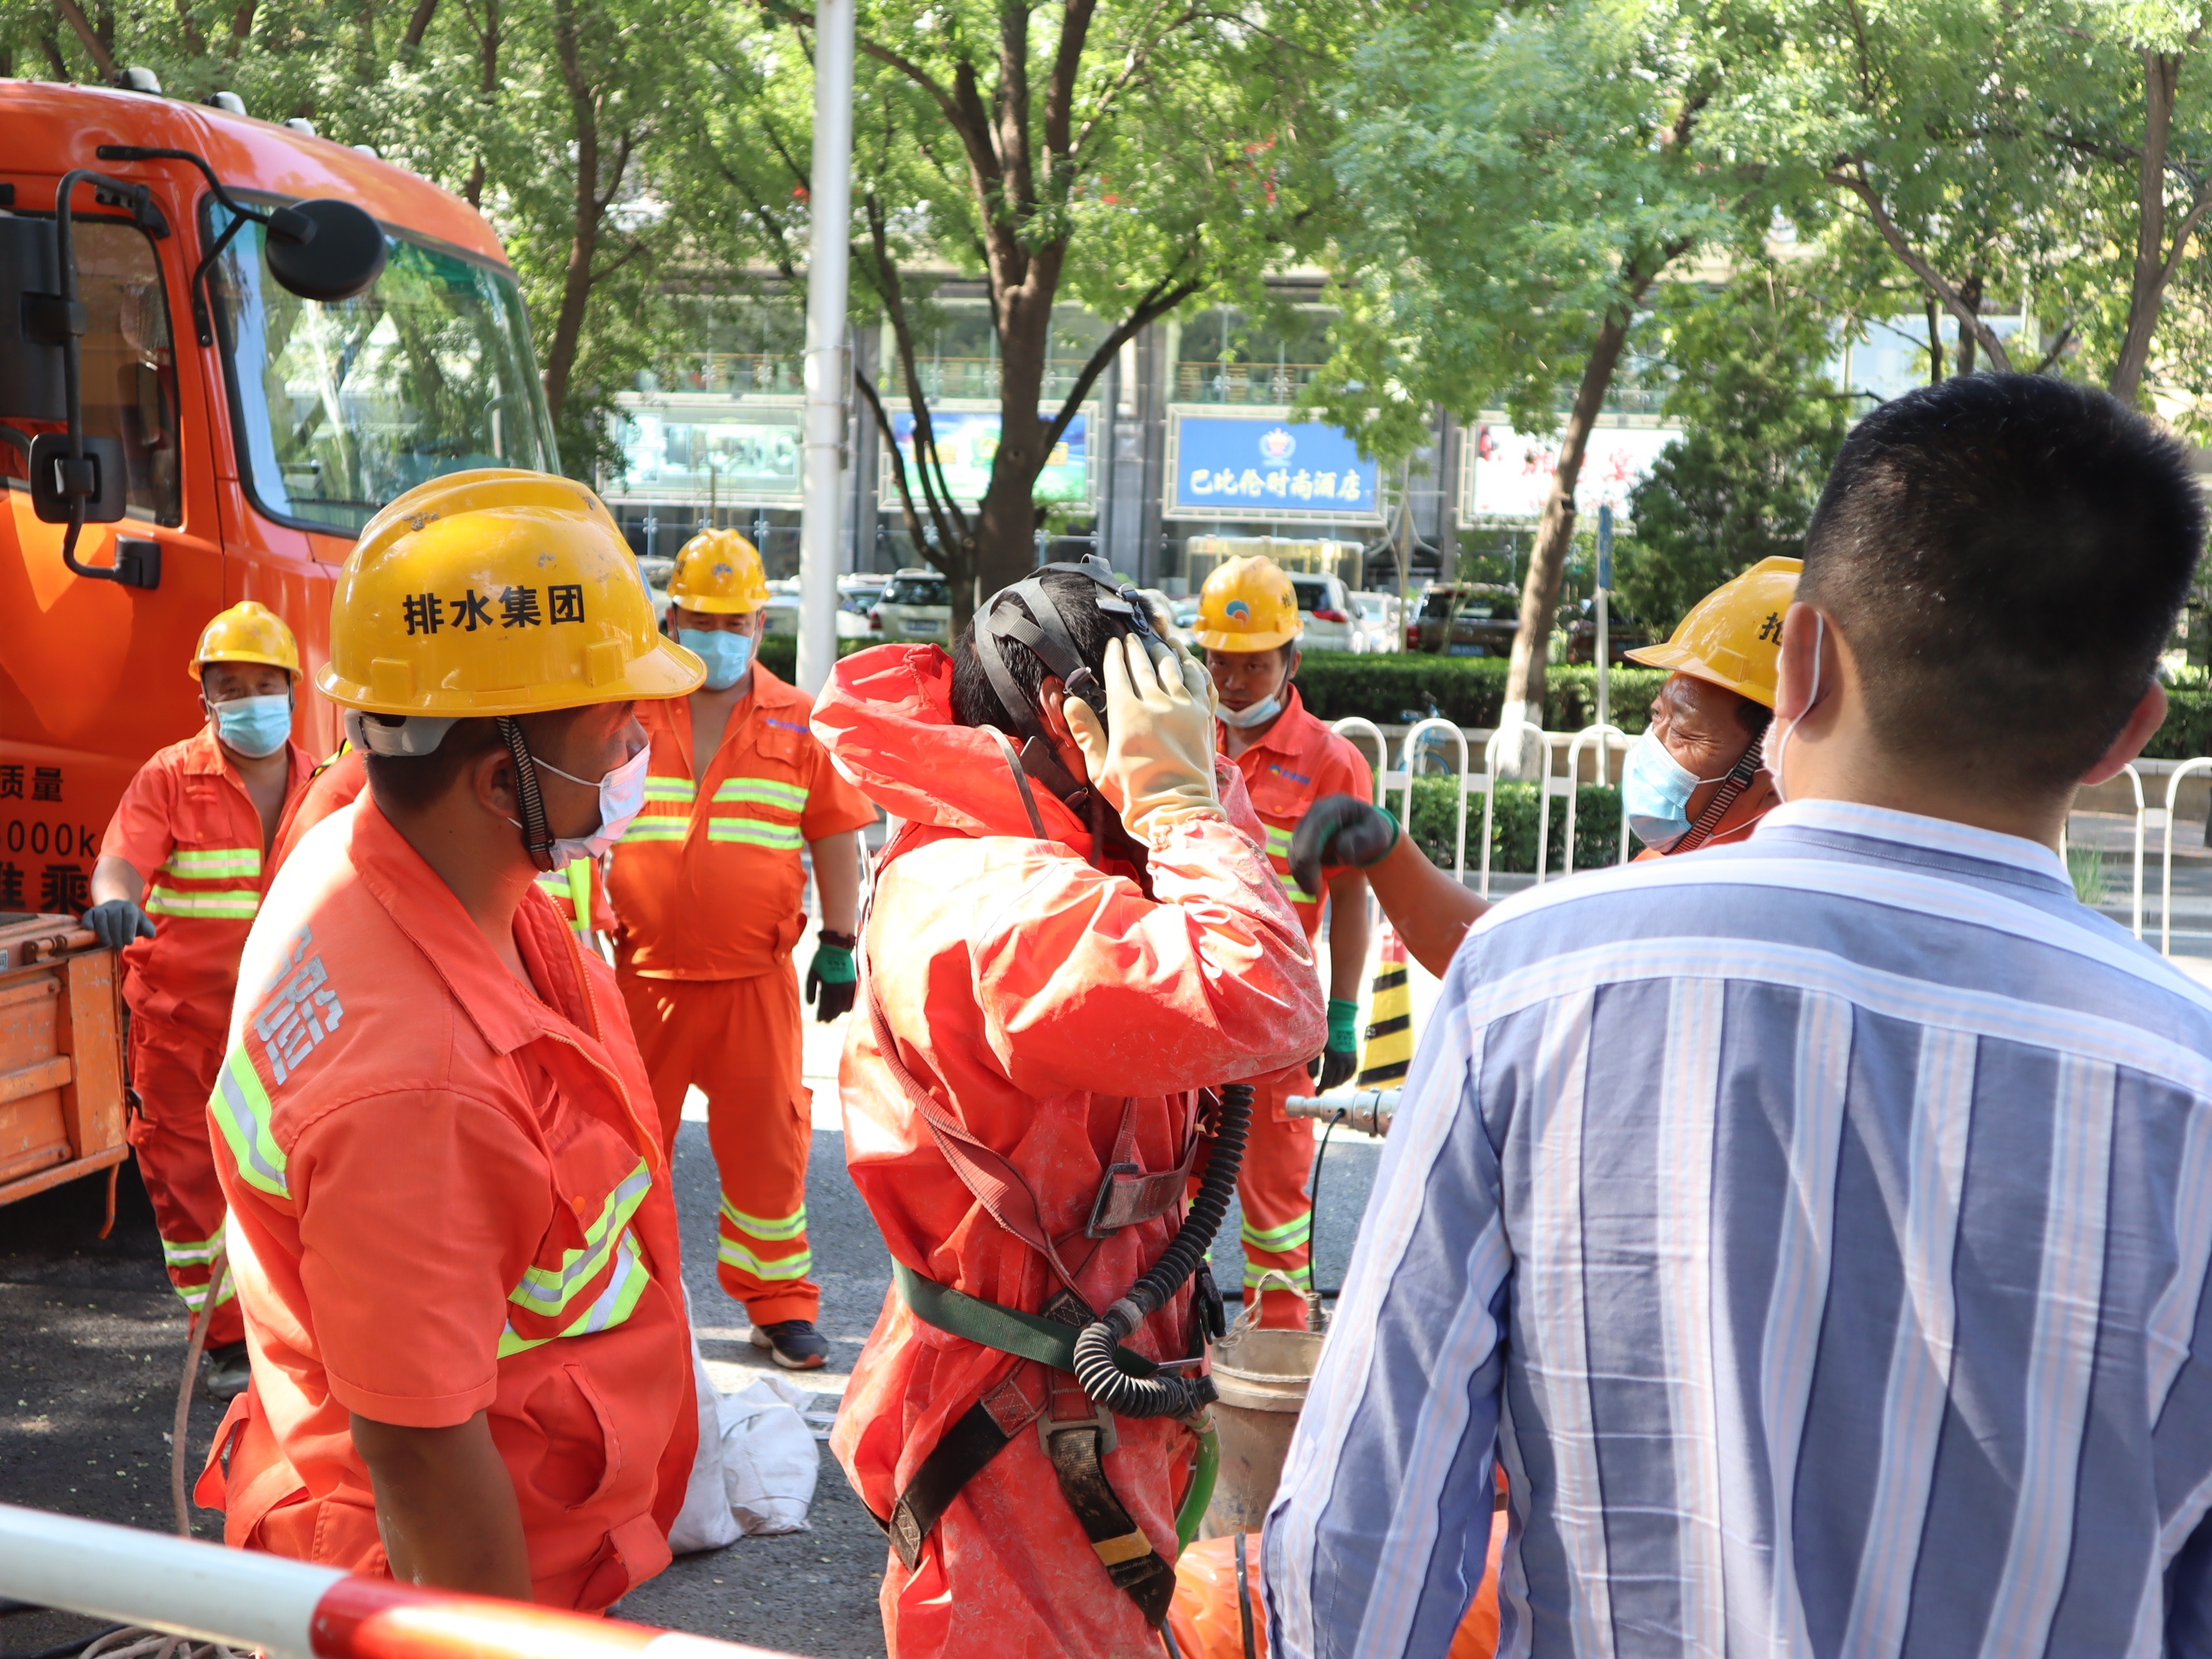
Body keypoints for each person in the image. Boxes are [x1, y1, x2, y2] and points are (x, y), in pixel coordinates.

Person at [1264, 374, 2212, 1657]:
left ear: (1805, 661)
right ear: (2129, 735)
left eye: (1683, 708)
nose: (1665, 729)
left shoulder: (1539, 985)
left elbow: (1356, 1545)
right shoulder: (2189, 1081)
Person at [196, 469, 702, 1609]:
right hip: (451, 1574)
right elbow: (423, 1458)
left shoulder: (369, 842)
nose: (636, 752)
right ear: (496, 778)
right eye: (615, 730)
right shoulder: (418, 1088)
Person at [815, 557, 1326, 1659]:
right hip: (1023, 1420)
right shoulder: (996, 900)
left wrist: (1182, 795)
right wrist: (1183, 805)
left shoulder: (1054, 860)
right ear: (1071, 718)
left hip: (1076, 1389)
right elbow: (1272, 1000)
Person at [605, 527, 876, 1371]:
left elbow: (835, 836)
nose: (715, 636)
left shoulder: (798, 720)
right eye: (699, 618)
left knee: (768, 1146)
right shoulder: (625, 713)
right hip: (636, 979)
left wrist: (839, 943)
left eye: (734, 621)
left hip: (753, 980)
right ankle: (618, 1300)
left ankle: (778, 1302)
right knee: (617, 1148)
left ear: (760, 625)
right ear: (670, 618)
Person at [1285, 558, 1801, 978]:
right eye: (1657, 717)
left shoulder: (1729, 904)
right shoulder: (1686, 858)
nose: (1656, 748)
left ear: (1779, 768)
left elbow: (1511, 960)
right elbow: (1507, 944)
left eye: (1685, 733)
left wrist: (1391, 854)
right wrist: (1390, 851)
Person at [82, 600, 312, 1397]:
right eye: (229, 686)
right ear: (204, 698)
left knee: (300, 1184)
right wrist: (115, 899)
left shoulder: (325, 785)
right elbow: (121, 861)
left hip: (294, 1034)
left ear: (292, 687)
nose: (248, 698)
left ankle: (303, 1329)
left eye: (262, 682)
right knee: (188, 1183)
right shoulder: (171, 777)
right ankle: (222, 1340)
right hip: (181, 1030)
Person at [1195, 555, 1373, 1327]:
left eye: (1253, 665)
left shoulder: (1332, 761)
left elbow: (1353, 894)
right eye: (1220, 664)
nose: (1233, 682)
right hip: (1187, 1008)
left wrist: (1341, 1014)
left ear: (1291, 660)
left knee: (1275, 1208)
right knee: (1175, 1201)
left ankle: (1278, 1351)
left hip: (1276, 1023)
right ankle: (1175, 1358)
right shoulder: (1185, 742)